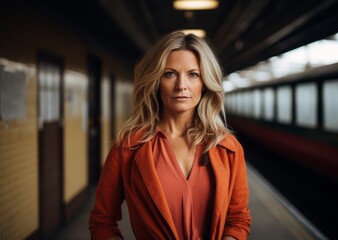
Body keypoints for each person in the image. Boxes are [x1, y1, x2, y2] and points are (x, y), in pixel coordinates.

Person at [89, 31, 251, 240]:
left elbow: (238, 219)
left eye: (193, 74)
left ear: (205, 82)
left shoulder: (228, 148)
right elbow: (102, 221)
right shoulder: (127, 148)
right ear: (156, 81)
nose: (181, 85)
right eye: (169, 74)